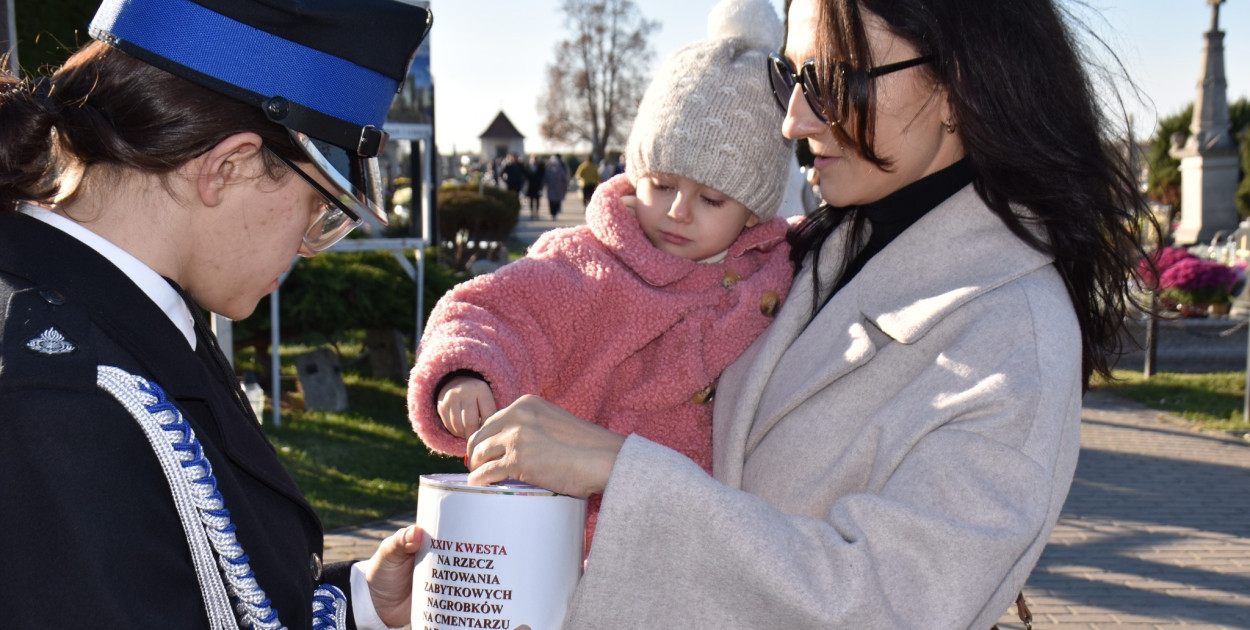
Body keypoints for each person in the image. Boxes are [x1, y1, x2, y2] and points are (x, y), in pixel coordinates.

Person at [450, 0, 1153, 627]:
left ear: (957, 85)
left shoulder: (1012, 334)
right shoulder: (808, 247)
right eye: (790, 78)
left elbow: (887, 605)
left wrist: (621, 472)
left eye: (834, 80)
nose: (795, 120)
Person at [0, 0, 434, 627]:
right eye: (317, 206)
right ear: (227, 168)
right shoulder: (63, 398)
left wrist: (359, 604)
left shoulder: (118, 316)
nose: (307, 244)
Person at [408, 0, 794, 553]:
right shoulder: (586, 265)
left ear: (755, 211)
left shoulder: (776, 274)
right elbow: (490, 310)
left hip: (702, 560)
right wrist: (465, 373)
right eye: (660, 184)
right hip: (569, 555)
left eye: (710, 198)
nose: (678, 211)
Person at [544, 153, 570, 219]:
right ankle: (552, 213)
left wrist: (565, 186)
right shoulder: (548, 169)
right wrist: (543, 186)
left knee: (557, 201)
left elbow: (564, 178)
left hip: (559, 187)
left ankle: (555, 213)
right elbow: (545, 178)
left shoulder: (560, 169)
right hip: (551, 187)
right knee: (551, 201)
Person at [524, 153, 545, 220]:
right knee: (531, 200)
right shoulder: (528, 166)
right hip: (530, 186)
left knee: (537, 200)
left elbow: (542, 174)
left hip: (537, 186)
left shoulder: (540, 166)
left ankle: (537, 213)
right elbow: (525, 174)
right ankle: (532, 213)